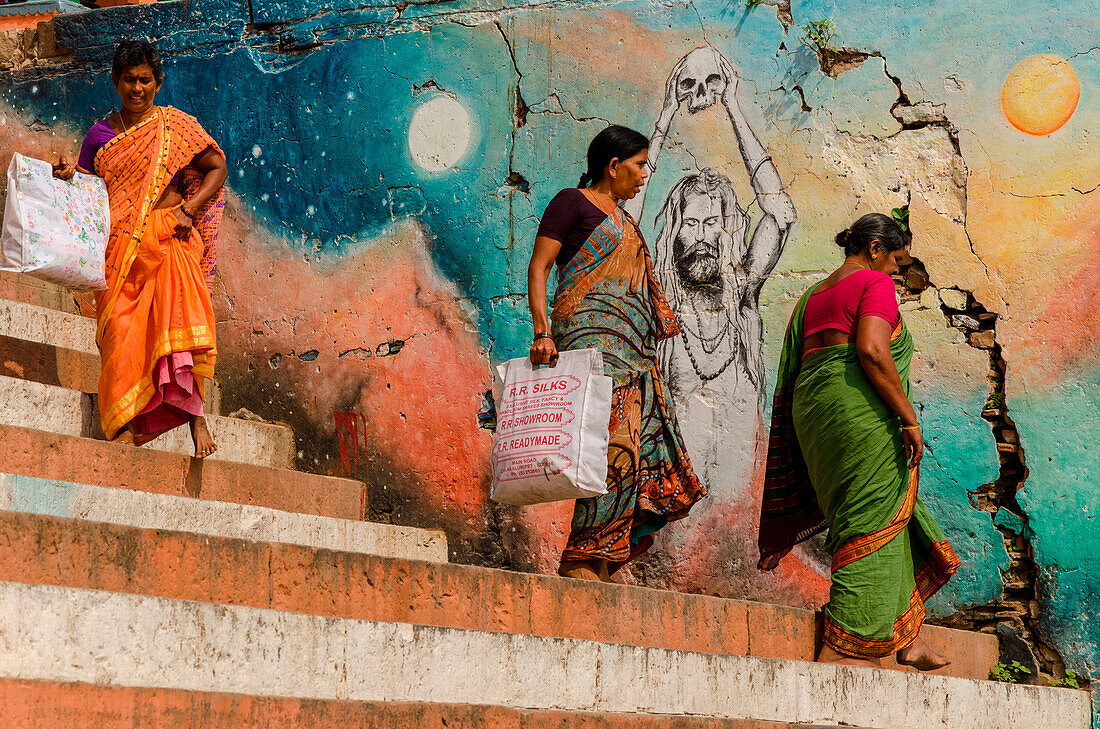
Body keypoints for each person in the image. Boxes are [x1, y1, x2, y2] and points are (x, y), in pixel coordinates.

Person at [757, 213, 960, 670]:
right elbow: (870, 349)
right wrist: (909, 419)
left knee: (893, 511)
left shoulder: (811, 296)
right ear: (873, 249)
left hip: (818, 422)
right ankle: (845, 646)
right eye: (896, 260)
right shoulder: (874, 284)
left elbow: (797, 369)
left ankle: (909, 637)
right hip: (861, 418)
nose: (896, 273)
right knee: (869, 521)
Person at [527, 125, 706, 582]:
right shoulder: (572, 202)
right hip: (589, 351)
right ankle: (580, 555)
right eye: (640, 164)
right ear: (612, 166)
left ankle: (604, 555)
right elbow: (540, 267)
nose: (645, 174)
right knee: (602, 450)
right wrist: (543, 332)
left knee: (629, 454)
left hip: (632, 359)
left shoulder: (627, 223)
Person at [53, 40, 227, 457]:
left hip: (169, 239)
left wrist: (189, 208)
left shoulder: (176, 126)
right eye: (128, 79)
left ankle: (195, 419)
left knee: (177, 331)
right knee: (119, 337)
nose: (137, 88)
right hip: (118, 253)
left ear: (158, 83)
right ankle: (127, 421)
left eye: (144, 79)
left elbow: (217, 167)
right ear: (115, 82)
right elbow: (89, 191)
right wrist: (66, 176)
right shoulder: (98, 136)